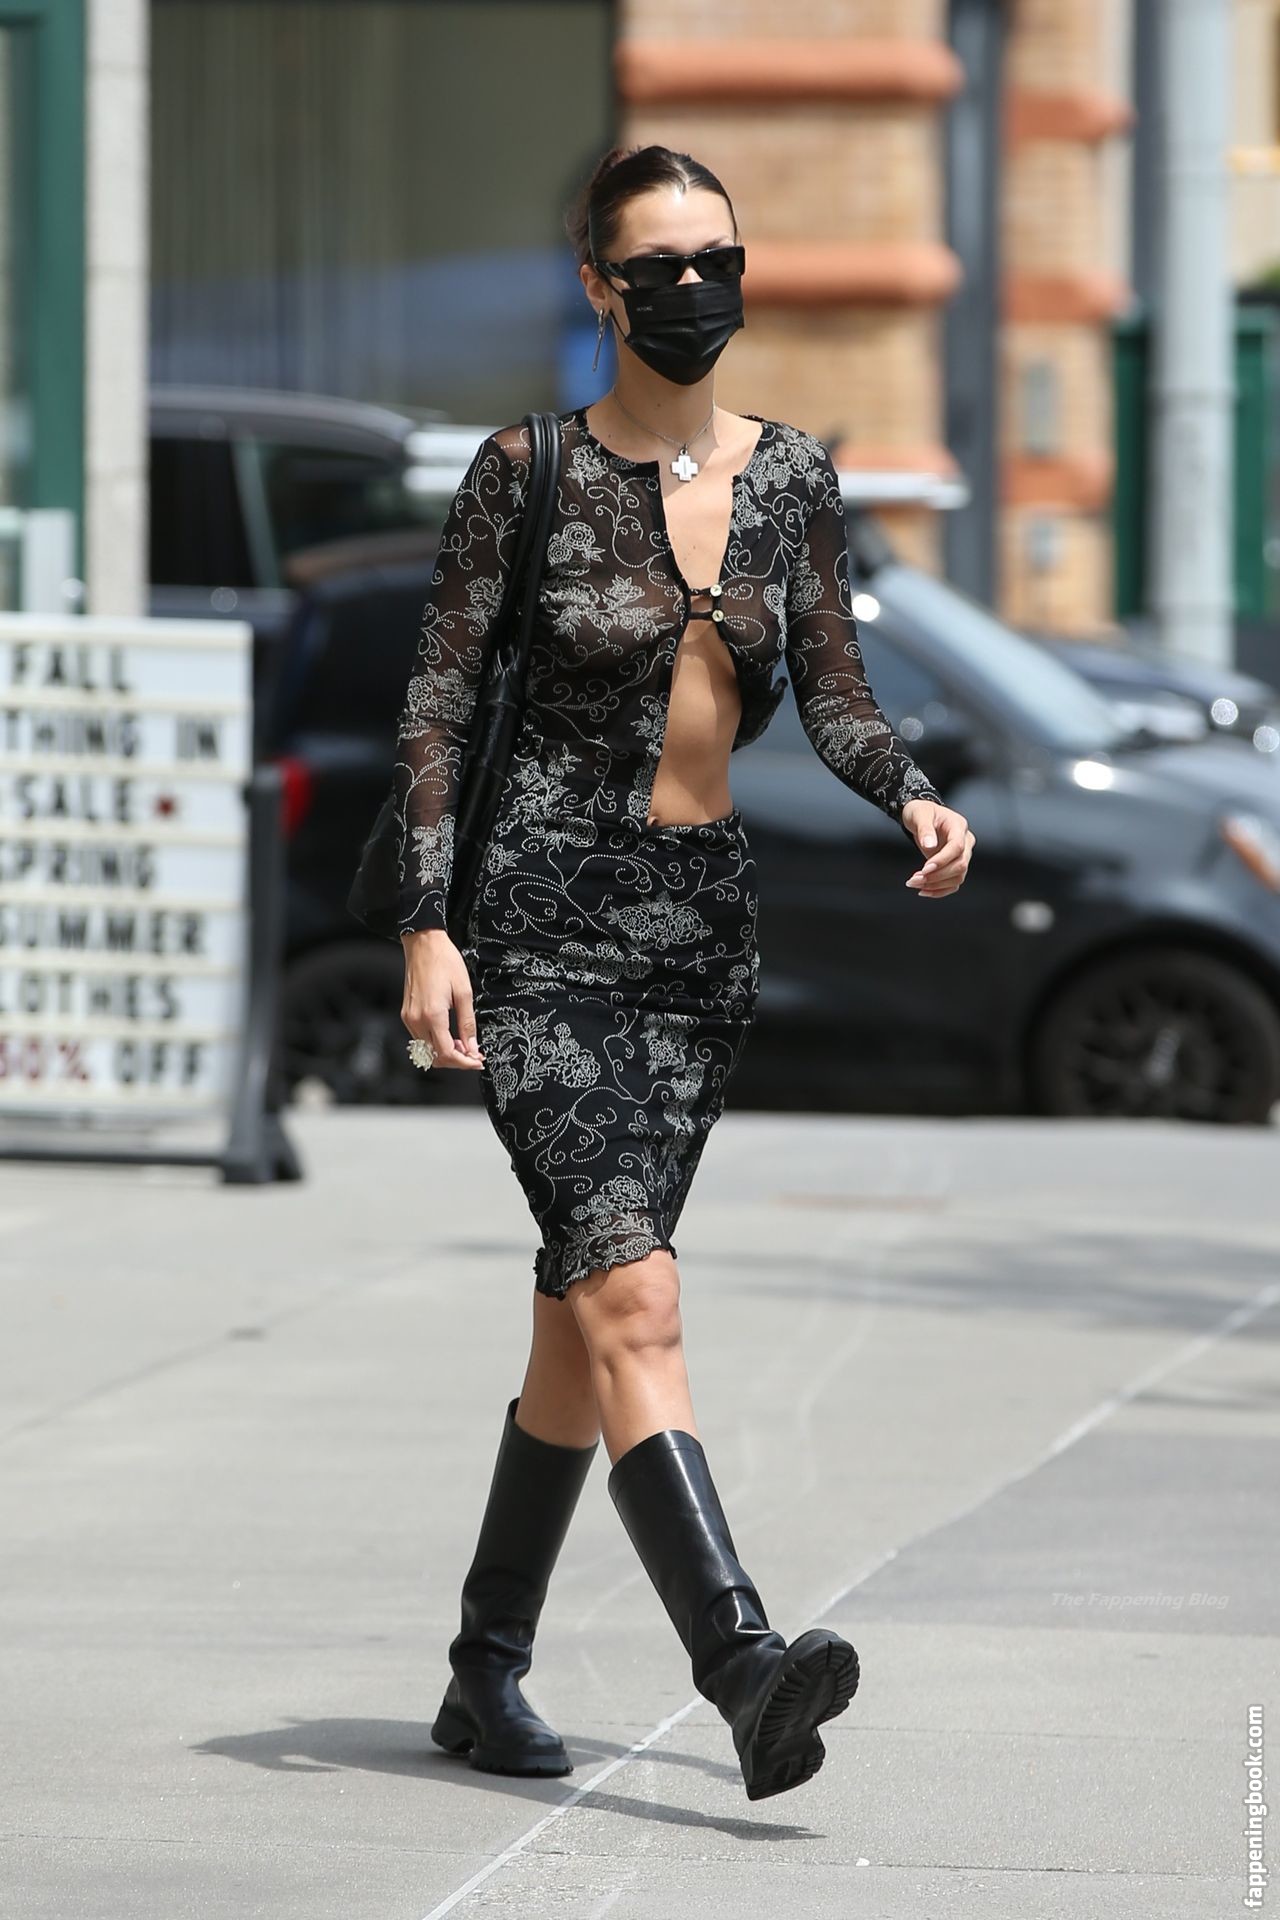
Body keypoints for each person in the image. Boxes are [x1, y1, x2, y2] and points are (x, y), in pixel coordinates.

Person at [395, 144, 974, 1803]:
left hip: (698, 941)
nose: (696, 290)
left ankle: (483, 1671)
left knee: (585, 1319)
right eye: (660, 266)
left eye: (719, 258)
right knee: (635, 1295)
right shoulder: (528, 473)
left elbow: (839, 691)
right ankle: (743, 1665)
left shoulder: (792, 477)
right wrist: (430, 924)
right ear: (601, 286)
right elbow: (436, 706)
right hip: (541, 926)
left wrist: (913, 793)